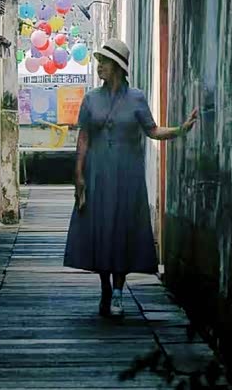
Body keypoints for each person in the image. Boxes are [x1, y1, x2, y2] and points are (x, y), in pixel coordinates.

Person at [63, 38, 198, 318]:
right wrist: (79, 175)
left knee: (122, 230)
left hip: (127, 175)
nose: (99, 66)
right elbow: (84, 138)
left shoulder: (136, 98)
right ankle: (105, 286)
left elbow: (152, 130)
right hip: (98, 172)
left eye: (104, 62)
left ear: (117, 66)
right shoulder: (91, 99)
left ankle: (118, 292)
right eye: (99, 61)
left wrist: (180, 130)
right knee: (101, 230)